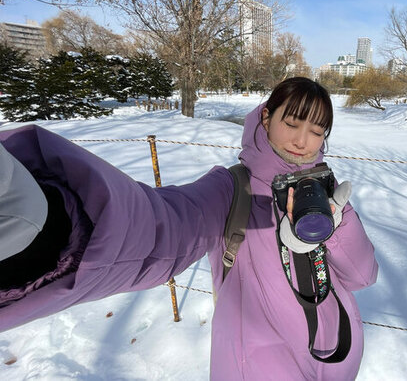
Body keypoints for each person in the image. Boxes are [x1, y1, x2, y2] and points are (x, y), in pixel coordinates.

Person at [0, 77, 378, 380]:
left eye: (317, 130)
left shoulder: (324, 191)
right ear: (266, 118)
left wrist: (338, 225)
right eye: (292, 123)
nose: (302, 141)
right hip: (262, 360)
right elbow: (167, 225)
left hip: (338, 352)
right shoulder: (232, 189)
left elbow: (362, 276)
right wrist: (57, 218)